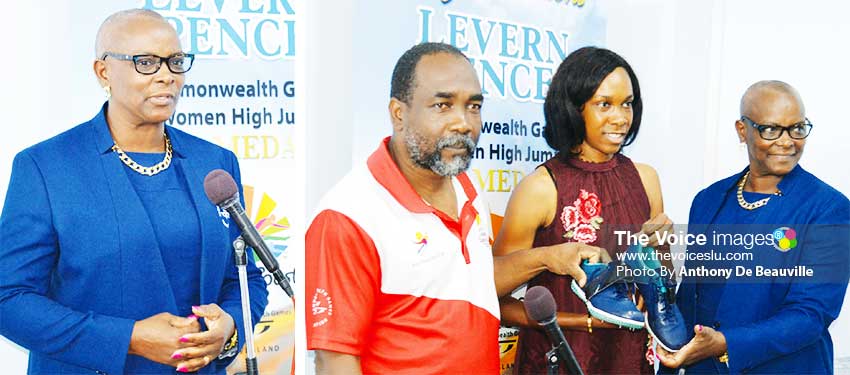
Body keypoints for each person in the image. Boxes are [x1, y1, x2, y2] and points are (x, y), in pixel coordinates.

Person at [304, 42, 604, 375]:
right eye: (443, 105)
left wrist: (548, 257)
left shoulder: (466, 187)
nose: (463, 122)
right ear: (398, 113)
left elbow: (469, 279)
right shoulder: (349, 215)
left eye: (473, 106)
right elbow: (335, 360)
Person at [0, 9, 268, 374]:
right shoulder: (46, 167)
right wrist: (128, 338)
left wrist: (230, 325)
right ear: (103, 72)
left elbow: (243, 276)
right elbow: (9, 299)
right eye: (146, 62)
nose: (166, 76)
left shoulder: (214, 162)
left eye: (175, 62)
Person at [493, 46, 673, 374]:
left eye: (627, 103)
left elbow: (660, 285)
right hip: (560, 359)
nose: (620, 117)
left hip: (628, 360)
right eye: (605, 104)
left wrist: (660, 250)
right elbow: (494, 296)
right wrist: (582, 322)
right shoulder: (540, 188)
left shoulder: (645, 178)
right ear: (574, 108)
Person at [659, 81, 850, 373]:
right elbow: (693, 295)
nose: (787, 141)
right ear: (742, 130)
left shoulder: (828, 209)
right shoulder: (708, 200)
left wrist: (726, 342)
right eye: (771, 129)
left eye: (797, 128)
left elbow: (810, 314)